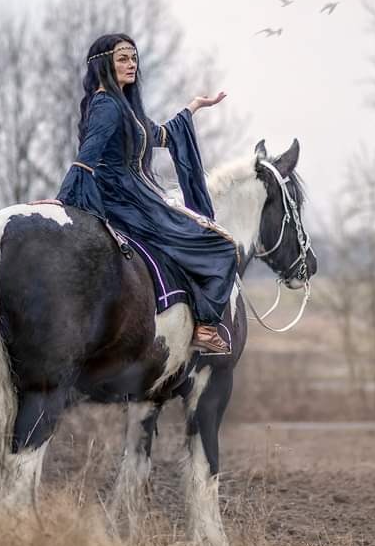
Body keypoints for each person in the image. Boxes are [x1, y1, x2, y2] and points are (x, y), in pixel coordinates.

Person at [55, 33, 238, 355]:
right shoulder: (107, 105)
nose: (132, 65)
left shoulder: (123, 107)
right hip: (127, 201)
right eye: (123, 58)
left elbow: (163, 136)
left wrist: (193, 107)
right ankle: (206, 327)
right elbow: (87, 156)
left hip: (138, 196)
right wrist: (63, 199)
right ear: (103, 65)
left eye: (134, 58)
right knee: (222, 245)